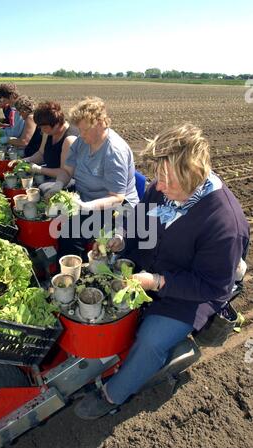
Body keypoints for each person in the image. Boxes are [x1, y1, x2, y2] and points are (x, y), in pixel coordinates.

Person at [74, 122, 250, 420]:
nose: (159, 185)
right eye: (159, 176)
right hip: (147, 267)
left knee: (151, 340)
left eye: (168, 180)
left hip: (186, 296)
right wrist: (121, 239)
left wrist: (157, 282)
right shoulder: (163, 188)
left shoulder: (225, 224)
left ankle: (114, 394)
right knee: (96, 284)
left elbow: (212, 287)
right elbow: (140, 220)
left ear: (194, 174)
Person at [42, 96, 139, 260]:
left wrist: (86, 207)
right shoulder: (82, 141)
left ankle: (72, 271)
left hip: (115, 208)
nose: (81, 134)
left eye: (85, 130)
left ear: (101, 123)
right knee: (45, 196)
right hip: (85, 197)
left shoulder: (114, 152)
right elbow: (67, 170)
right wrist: (58, 185)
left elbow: (117, 197)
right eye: (79, 130)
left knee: (69, 232)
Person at [22, 101, 79, 178]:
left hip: (63, 182)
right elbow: (41, 154)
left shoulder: (69, 140)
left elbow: (65, 173)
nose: (42, 131)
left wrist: (39, 169)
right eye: (40, 127)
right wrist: (25, 161)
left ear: (57, 124)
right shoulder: (48, 132)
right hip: (49, 175)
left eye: (44, 127)